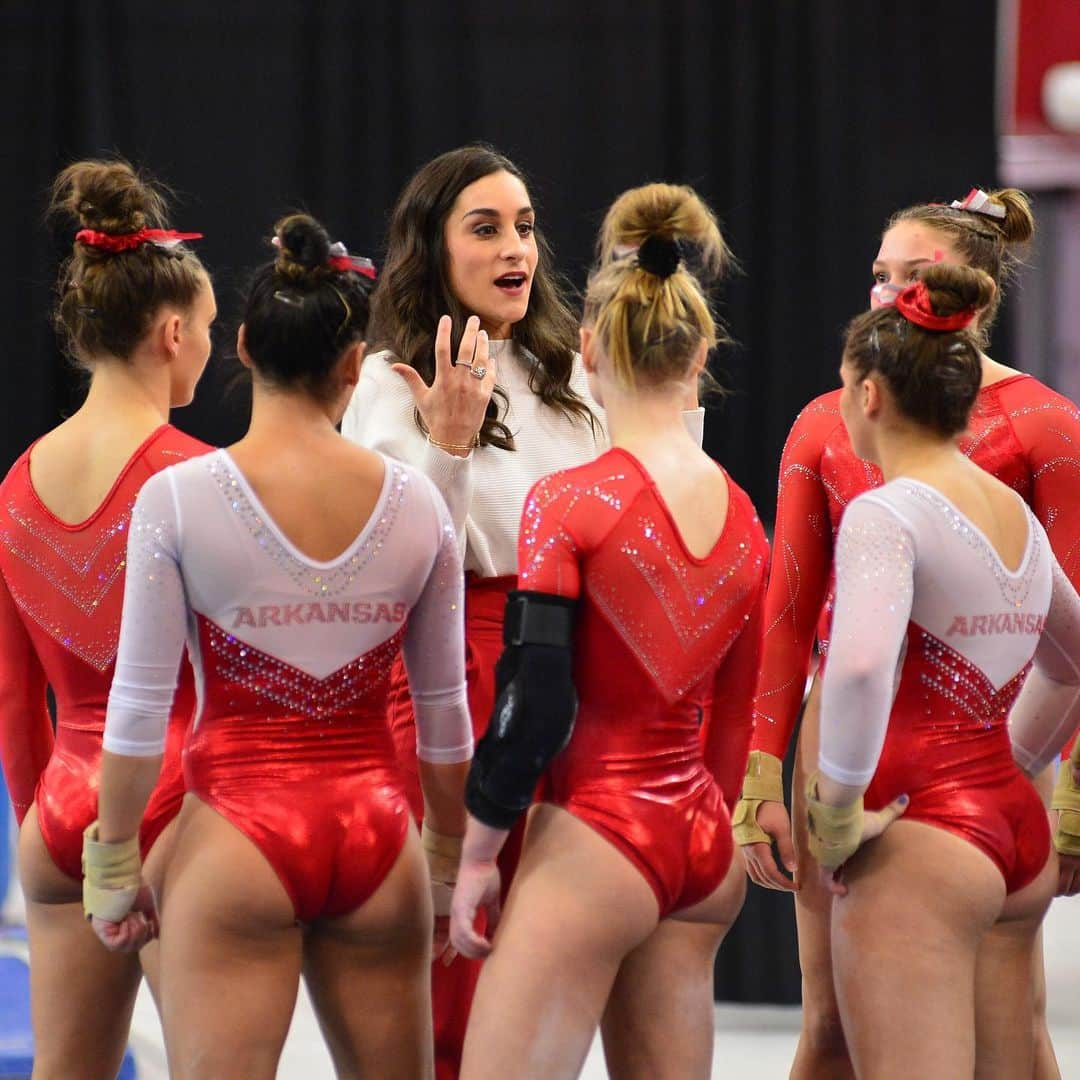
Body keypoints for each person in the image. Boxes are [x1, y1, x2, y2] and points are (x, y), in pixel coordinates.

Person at [340, 145, 706, 1078]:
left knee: (543, 969)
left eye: (528, 227)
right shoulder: (390, 381)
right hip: (454, 673)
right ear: (434, 246)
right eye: (487, 227)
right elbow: (393, 572)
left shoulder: (567, 375)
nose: (518, 248)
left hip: (578, 679)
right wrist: (449, 446)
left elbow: (654, 496)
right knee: (460, 962)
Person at [81, 214, 472, 1078]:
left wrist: (112, 863)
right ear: (351, 367)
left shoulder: (179, 500)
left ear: (246, 345)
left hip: (235, 838)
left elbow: (141, 709)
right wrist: (446, 861)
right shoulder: (419, 506)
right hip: (377, 836)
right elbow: (446, 717)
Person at [736, 187, 1080, 1079]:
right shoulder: (826, 421)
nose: (890, 296)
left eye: (914, 276)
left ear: (976, 290)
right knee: (833, 1027)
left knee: (1007, 1027)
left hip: (922, 773)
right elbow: (789, 611)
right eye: (879, 277)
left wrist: (1060, 775)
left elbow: (863, 665)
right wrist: (762, 770)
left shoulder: (1043, 426)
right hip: (892, 756)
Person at [449, 184, 768, 1080]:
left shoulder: (571, 501)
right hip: (705, 847)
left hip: (600, 831)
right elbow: (740, 720)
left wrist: (479, 848)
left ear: (587, 350)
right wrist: (711, 826)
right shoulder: (747, 520)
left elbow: (538, 695)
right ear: (702, 351)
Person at [0, 159, 213, 1078]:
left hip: (56, 813)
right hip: (173, 806)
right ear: (170, 332)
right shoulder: (197, 478)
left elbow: (16, 699)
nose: (211, 346)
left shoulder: (15, 484)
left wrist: (38, 829)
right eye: (207, 330)